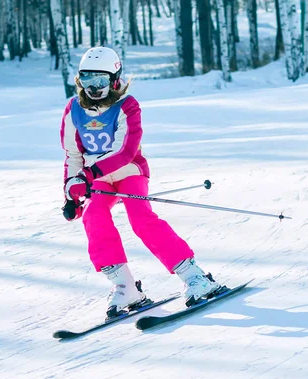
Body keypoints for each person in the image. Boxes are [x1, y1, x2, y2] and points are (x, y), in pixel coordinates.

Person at [60, 47, 221, 317]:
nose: (93, 89)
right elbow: (72, 154)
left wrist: (88, 175)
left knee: (140, 218)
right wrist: (71, 193)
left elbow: (125, 152)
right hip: (97, 179)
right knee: (93, 216)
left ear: (114, 79)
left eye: (99, 82)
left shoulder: (127, 106)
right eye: (87, 81)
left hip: (129, 172)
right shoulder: (74, 109)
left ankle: (195, 277)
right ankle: (125, 287)